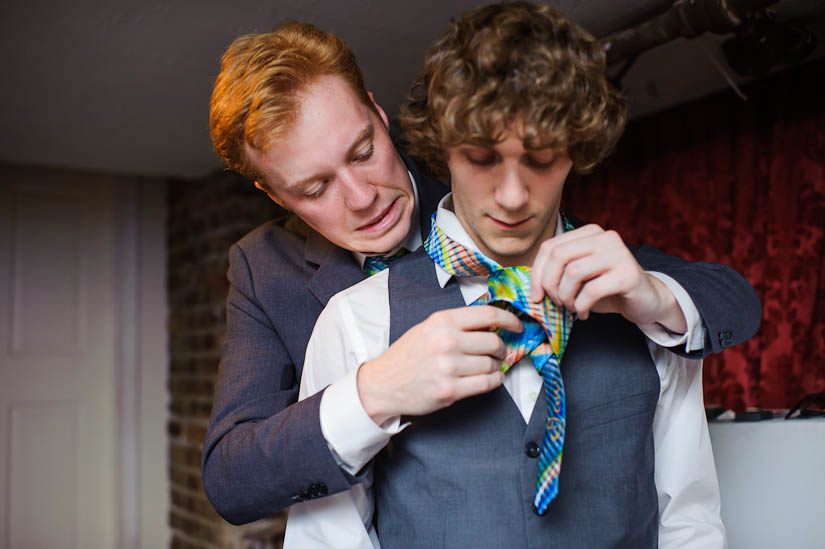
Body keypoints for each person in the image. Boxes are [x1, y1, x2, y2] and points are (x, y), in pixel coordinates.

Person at [202, 15, 761, 526]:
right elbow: (232, 480)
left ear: (377, 114)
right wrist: (374, 393)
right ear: (273, 194)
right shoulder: (266, 270)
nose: (363, 197)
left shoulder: (489, 178)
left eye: (363, 152)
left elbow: (720, 297)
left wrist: (658, 298)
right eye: (316, 188)